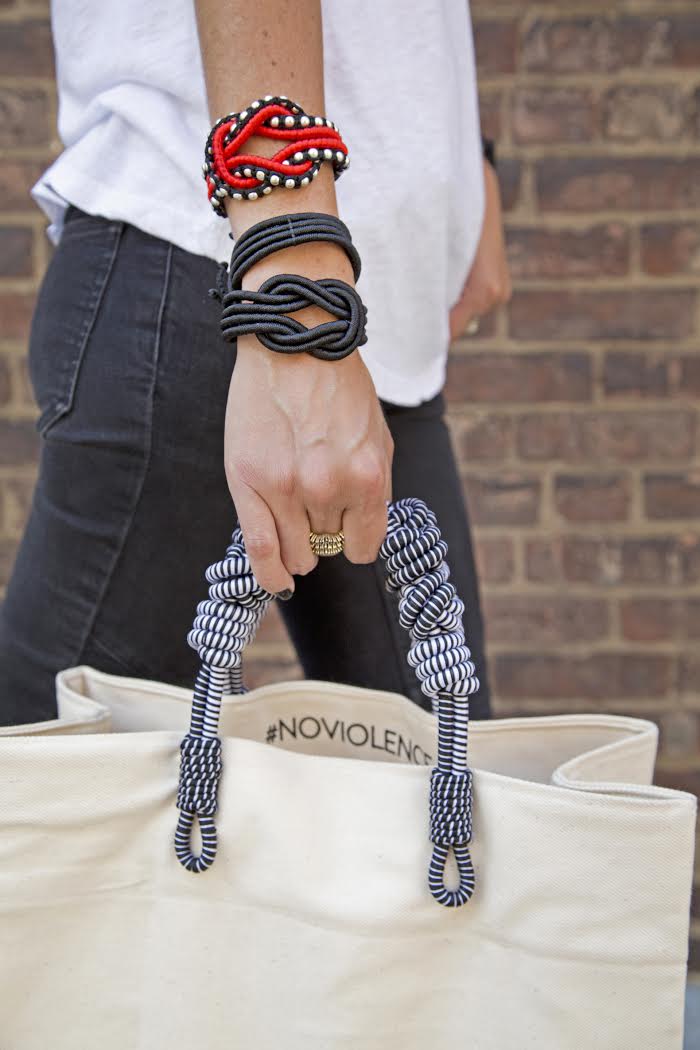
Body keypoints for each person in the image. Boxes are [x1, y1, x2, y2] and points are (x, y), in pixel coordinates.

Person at [0, 0, 510, 725]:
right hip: (225, 263)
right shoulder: (286, 291)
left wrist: (469, 160)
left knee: (441, 781)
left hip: (360, 304)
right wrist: (292, 297)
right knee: (56, 799)